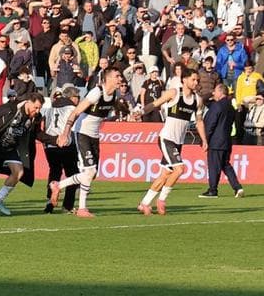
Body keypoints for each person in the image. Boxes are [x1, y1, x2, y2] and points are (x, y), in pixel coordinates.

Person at [49, 67, 125, 218]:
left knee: (92, 173)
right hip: (82, 132)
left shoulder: (114, 94)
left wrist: (125, 110)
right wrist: (65, 133)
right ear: (107, 78)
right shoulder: (96, 92)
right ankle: (82, 208)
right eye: (117, 76)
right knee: (89, 172)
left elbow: (112, 105)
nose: (120, 79)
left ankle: (58, 185)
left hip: (94, 136)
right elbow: (76, 112)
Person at [139, 68, 208, 214]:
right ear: (184, 80)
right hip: (166, 138)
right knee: (180, 169)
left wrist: (204, 140)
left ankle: (144, 203)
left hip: (178, 141)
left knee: (165, 174)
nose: (196, 82)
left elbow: (199, 121)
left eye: (197, 80)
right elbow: (155, 104)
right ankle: (162, 200)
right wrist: (140, 112)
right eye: (193, 79)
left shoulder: (197, 100)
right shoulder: (174, 93)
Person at [199, 82, 246, 198]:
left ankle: (212, 190)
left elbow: (210, 124)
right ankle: (237, 187)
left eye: (215, 91)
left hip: (216, 141)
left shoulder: (217, 106)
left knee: (214, 166)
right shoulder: (230, 107)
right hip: (226, 140)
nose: (213, 93)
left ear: (220, 92)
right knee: (225, 165)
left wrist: (204, 139)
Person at [40, 86, 80, 213]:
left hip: (50, 145)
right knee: (73, 175)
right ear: (72, 97)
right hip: (66, 144)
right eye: (77, 97)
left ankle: (49, 203)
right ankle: (67, 206)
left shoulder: (49, 108)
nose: (79, 100)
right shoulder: (72, 109)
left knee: (54, 172)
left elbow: (43, 125)